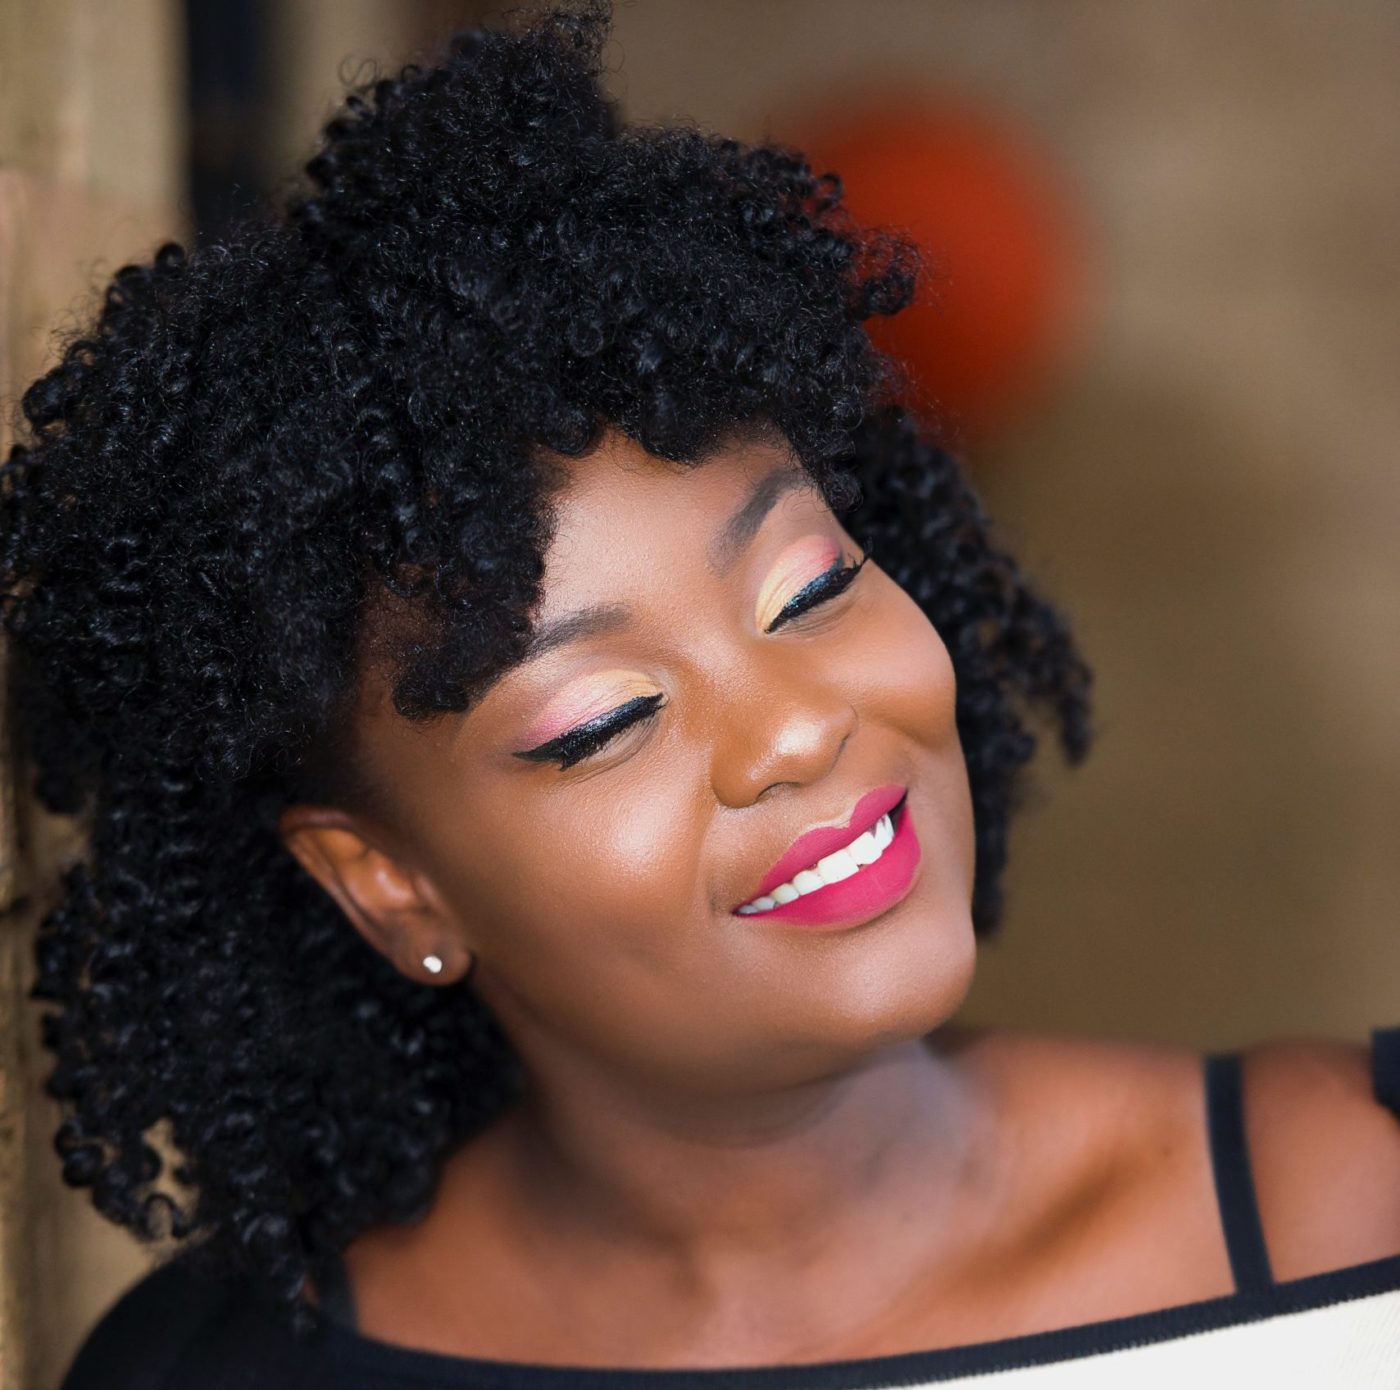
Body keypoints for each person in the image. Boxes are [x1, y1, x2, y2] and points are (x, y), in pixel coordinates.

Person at [7, 5, 1399, 1386]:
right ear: (386, 884)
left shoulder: (1352, 1208)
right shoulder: (215, 1376)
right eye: (605, 719)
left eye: (809, 589)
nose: (794, 724)